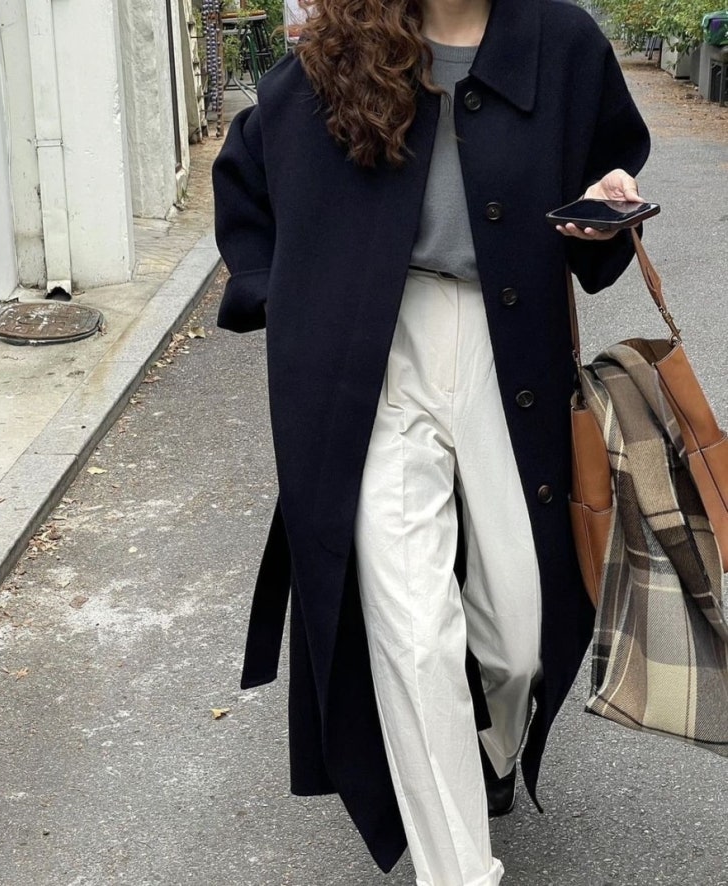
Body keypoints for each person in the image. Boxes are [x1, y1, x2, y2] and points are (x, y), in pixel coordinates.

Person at [213, 0, 650, 882]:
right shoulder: (339, 49)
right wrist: (276, 292)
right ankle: (458, 867)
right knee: (411, 631)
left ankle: (487, 747)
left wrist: (608, 208)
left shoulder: (560, 42)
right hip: (368, 359)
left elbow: (609, 164)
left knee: (520, 638)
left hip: (506, 347)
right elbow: (248, 170)